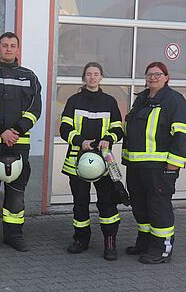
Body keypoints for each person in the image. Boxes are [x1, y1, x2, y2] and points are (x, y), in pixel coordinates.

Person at [0, 32, 42, 252]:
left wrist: (18, 130)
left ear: (18, 49)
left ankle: (14, 235)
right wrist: (1, 130)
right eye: (5, 45)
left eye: (13, 45)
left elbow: (35, 108)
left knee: (16, 192)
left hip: (19, 143)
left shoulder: (29, 76)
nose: (9, 49)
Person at [122, 61, 186, 264]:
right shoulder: (142, 99)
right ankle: (144, 242)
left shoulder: (173, 100)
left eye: (158, 74)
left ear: (166, 77)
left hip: (160, 167)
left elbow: (183, 134)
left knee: (158, 207)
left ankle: (162, 249)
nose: (153, 77)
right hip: (136, 165)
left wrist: (174, 165)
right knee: (140, 206)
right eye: (149, 74)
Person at [59, 62, 124, 260]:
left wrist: (109, 139)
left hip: (104, 162)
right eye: (89, 74)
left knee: (107, 203)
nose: (92, 77)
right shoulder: (73, 100)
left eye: (96, 74)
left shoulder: (110, 101)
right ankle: (81, 240)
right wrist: (81, 141)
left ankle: (110, 243)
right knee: (80, 203)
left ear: (101, 77)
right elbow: (64, 129)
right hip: (77, 161)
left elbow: (118, 129)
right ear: (84, 78)